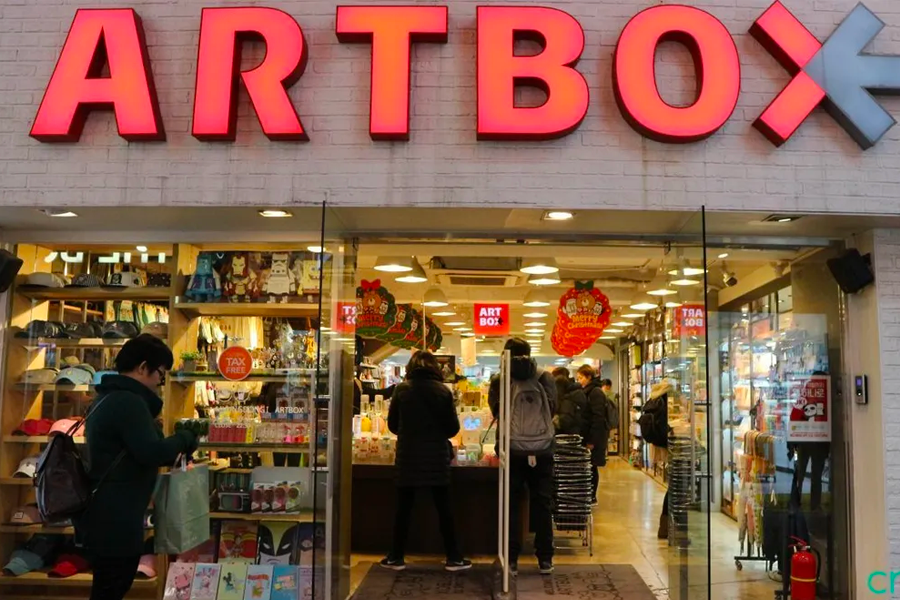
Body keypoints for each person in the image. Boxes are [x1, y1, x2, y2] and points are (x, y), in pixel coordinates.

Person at [77, 334, 198, 600]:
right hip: (116, 515)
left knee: (110, 585)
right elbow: (151, 452)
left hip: (107, 511)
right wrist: (186, 437)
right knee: (112, 586)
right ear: (143, 367)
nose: (159, 382)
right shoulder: (128, 402)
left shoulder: (108, 398)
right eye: (160, 374)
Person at [381, 351, 471, 572]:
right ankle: (454, 557)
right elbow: (452, 429)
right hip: (436, 459)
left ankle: (396, 557)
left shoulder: (402, 390)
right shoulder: (443, 391)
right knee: (444, 509)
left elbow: (392, 425)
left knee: (403, 509)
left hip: (408, 457)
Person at [489, 338, 557, 574]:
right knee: (542, 502)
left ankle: (512, 559)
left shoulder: (500, 379)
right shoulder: (544, 377)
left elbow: (496, 411)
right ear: (529, 354)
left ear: (506, 354)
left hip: (512, 449)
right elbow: (552, 408)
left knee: (512, 504)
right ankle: (545, 558)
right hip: (542, 449)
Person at [575, 365, 610, 504]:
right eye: (578, 378)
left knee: (591, 466)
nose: (579, 381)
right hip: (589, 435)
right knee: (589, 465)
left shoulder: (595, 392)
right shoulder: (588, 391)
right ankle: (589, 495)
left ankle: (592, 496)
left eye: (581, 377)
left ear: (589, 377)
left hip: (593, 437)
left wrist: (592, 441)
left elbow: (597, 418)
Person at [551, 367, 587, 436]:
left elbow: (565, 420)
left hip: (566, 435)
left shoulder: (566, 396)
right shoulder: (577, 392)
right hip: (576, 433)